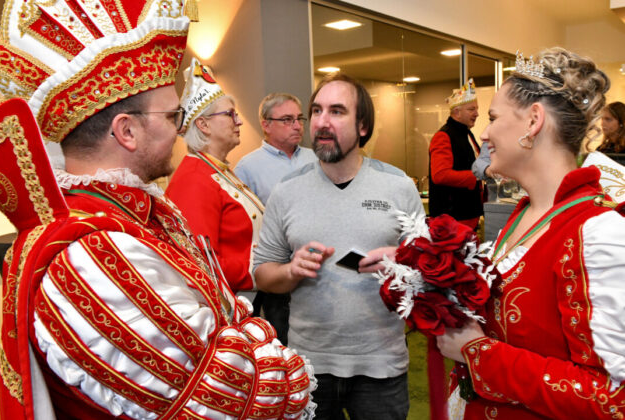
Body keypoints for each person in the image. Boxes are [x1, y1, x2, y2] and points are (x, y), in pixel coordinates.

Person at [0, 2, 315, 419]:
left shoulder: (136, 215)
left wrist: (233, 327)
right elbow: (240, 393)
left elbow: (223, 310)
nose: (180, 128)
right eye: (172, 115)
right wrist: (244, 332)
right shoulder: (89, 254)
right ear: (126, 131)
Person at [437, 48, 625, 419]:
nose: (486, 133)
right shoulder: (526, 211)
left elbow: (612, 398)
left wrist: (478, 352)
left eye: (492, 117)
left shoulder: (598, 233)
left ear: (533, 121)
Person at [253, 73, 425, 420]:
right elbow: (261, 274)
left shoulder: (398, 186)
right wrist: (290, 270)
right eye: (316, 111)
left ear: (363, 126)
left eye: (337, 111)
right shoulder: (286, 192)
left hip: (381, 365)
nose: (322, 122)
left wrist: (404, 260)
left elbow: (431, 273)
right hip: (310, 366)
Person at [166, 58, 264, 295]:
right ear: (204, 125)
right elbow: (203, 263)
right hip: (231, 301)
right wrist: (266, 272)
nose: (239, 121)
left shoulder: (216, 170)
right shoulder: (194, 179)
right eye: (230, 114)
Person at [234, 93, 316, 345]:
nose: (297, 125)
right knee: (283, 339)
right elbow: (243, 226)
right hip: (278, 271)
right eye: (287, 119)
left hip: (317, 265)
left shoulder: (316, 160)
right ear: (266, 124)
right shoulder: (247, 168)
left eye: (299, 118)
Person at [429, 78, 484, 230]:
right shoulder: (444, 136)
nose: (477, 113)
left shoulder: (467, 134)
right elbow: (440, 175)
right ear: (457, 112)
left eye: (476, 109)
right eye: (471, 109)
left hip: (467, 215)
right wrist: (477, 175)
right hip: (452, 218)